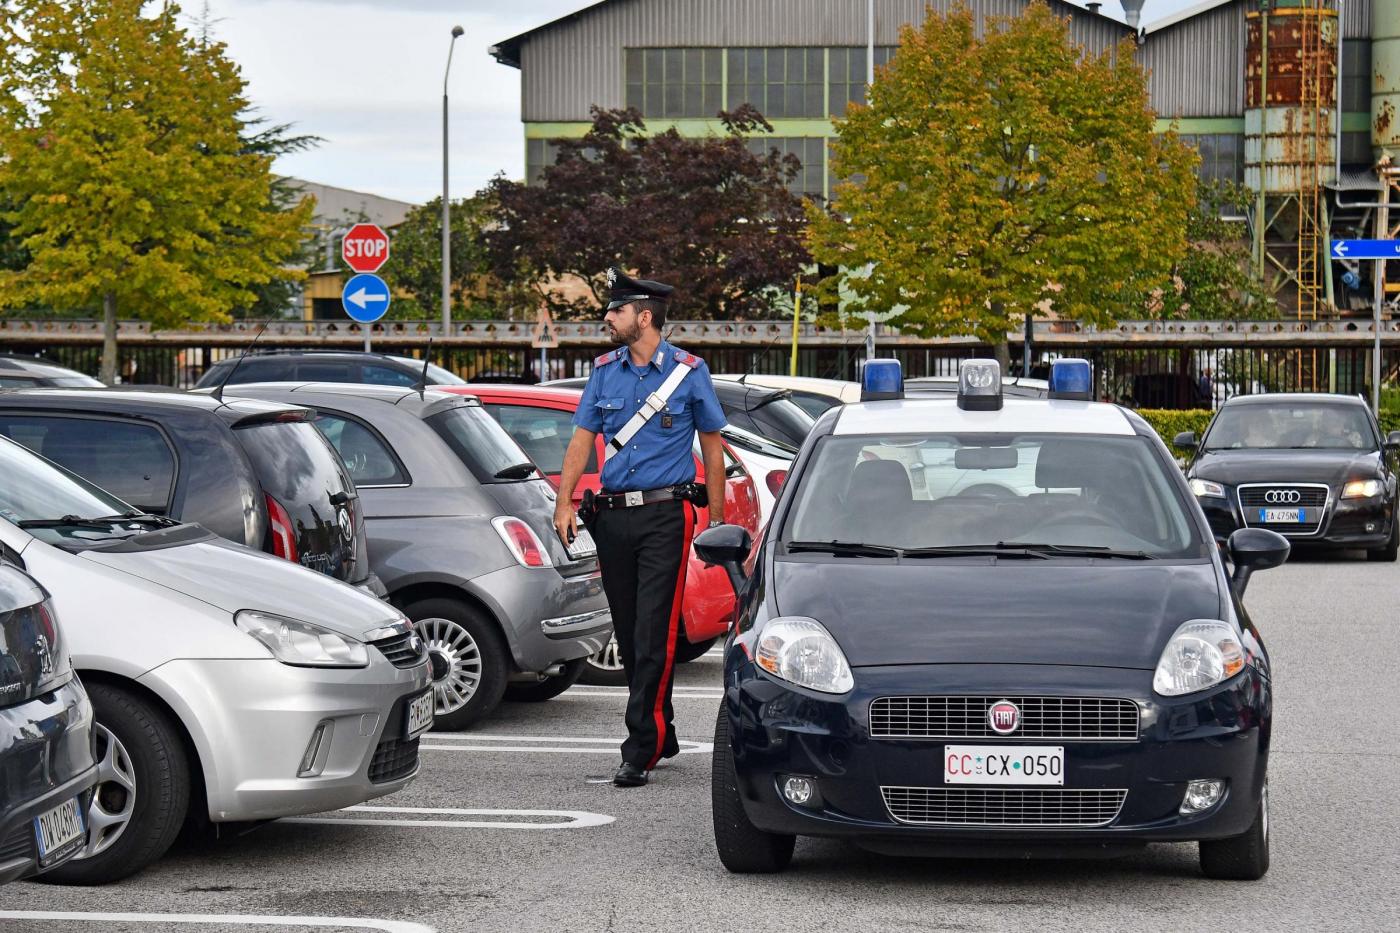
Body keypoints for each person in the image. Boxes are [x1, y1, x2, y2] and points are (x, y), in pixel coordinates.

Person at [552, 267, 728, 788]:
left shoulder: (689, 372)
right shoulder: (605, 371)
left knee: (654, 631)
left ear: (644, 317)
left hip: (663, 517)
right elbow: (582, 441)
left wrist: (716, 522)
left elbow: (713, 453)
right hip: (612, 518)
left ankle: (640, 748)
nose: (607, 317)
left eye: (616, 310)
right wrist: (564, 503)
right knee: (630, 636)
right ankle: (663, 725)